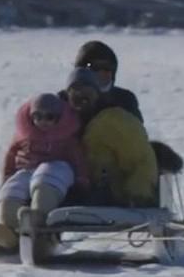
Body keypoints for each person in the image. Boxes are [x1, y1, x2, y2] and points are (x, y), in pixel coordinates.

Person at [0, 92, 87, 256]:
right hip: (28, 169)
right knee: (14, 187)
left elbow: (77, 158)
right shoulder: (25, 135)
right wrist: (7, 178)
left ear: (59, 118)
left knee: (46, 177)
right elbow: (11, 156)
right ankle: (8, 231)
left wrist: (82, 181)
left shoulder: (66, 137)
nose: (43, 121)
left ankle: (39, 220)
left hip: (57, 167)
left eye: (49, 117)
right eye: (37, 116)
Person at [67, 68, 159, 208]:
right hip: (77, 192)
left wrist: (138, 196)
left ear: (97, 94)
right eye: (75, 92)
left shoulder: (114, 121)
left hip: (116, 195)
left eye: (87, 92)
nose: (81, 98)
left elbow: (141, 160)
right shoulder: (61, 123)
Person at [72, 40, 142, 122]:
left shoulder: (124, 100)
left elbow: (137, 132)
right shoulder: (65, 103)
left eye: (107, 68)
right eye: (94, 68)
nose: (101, 73)